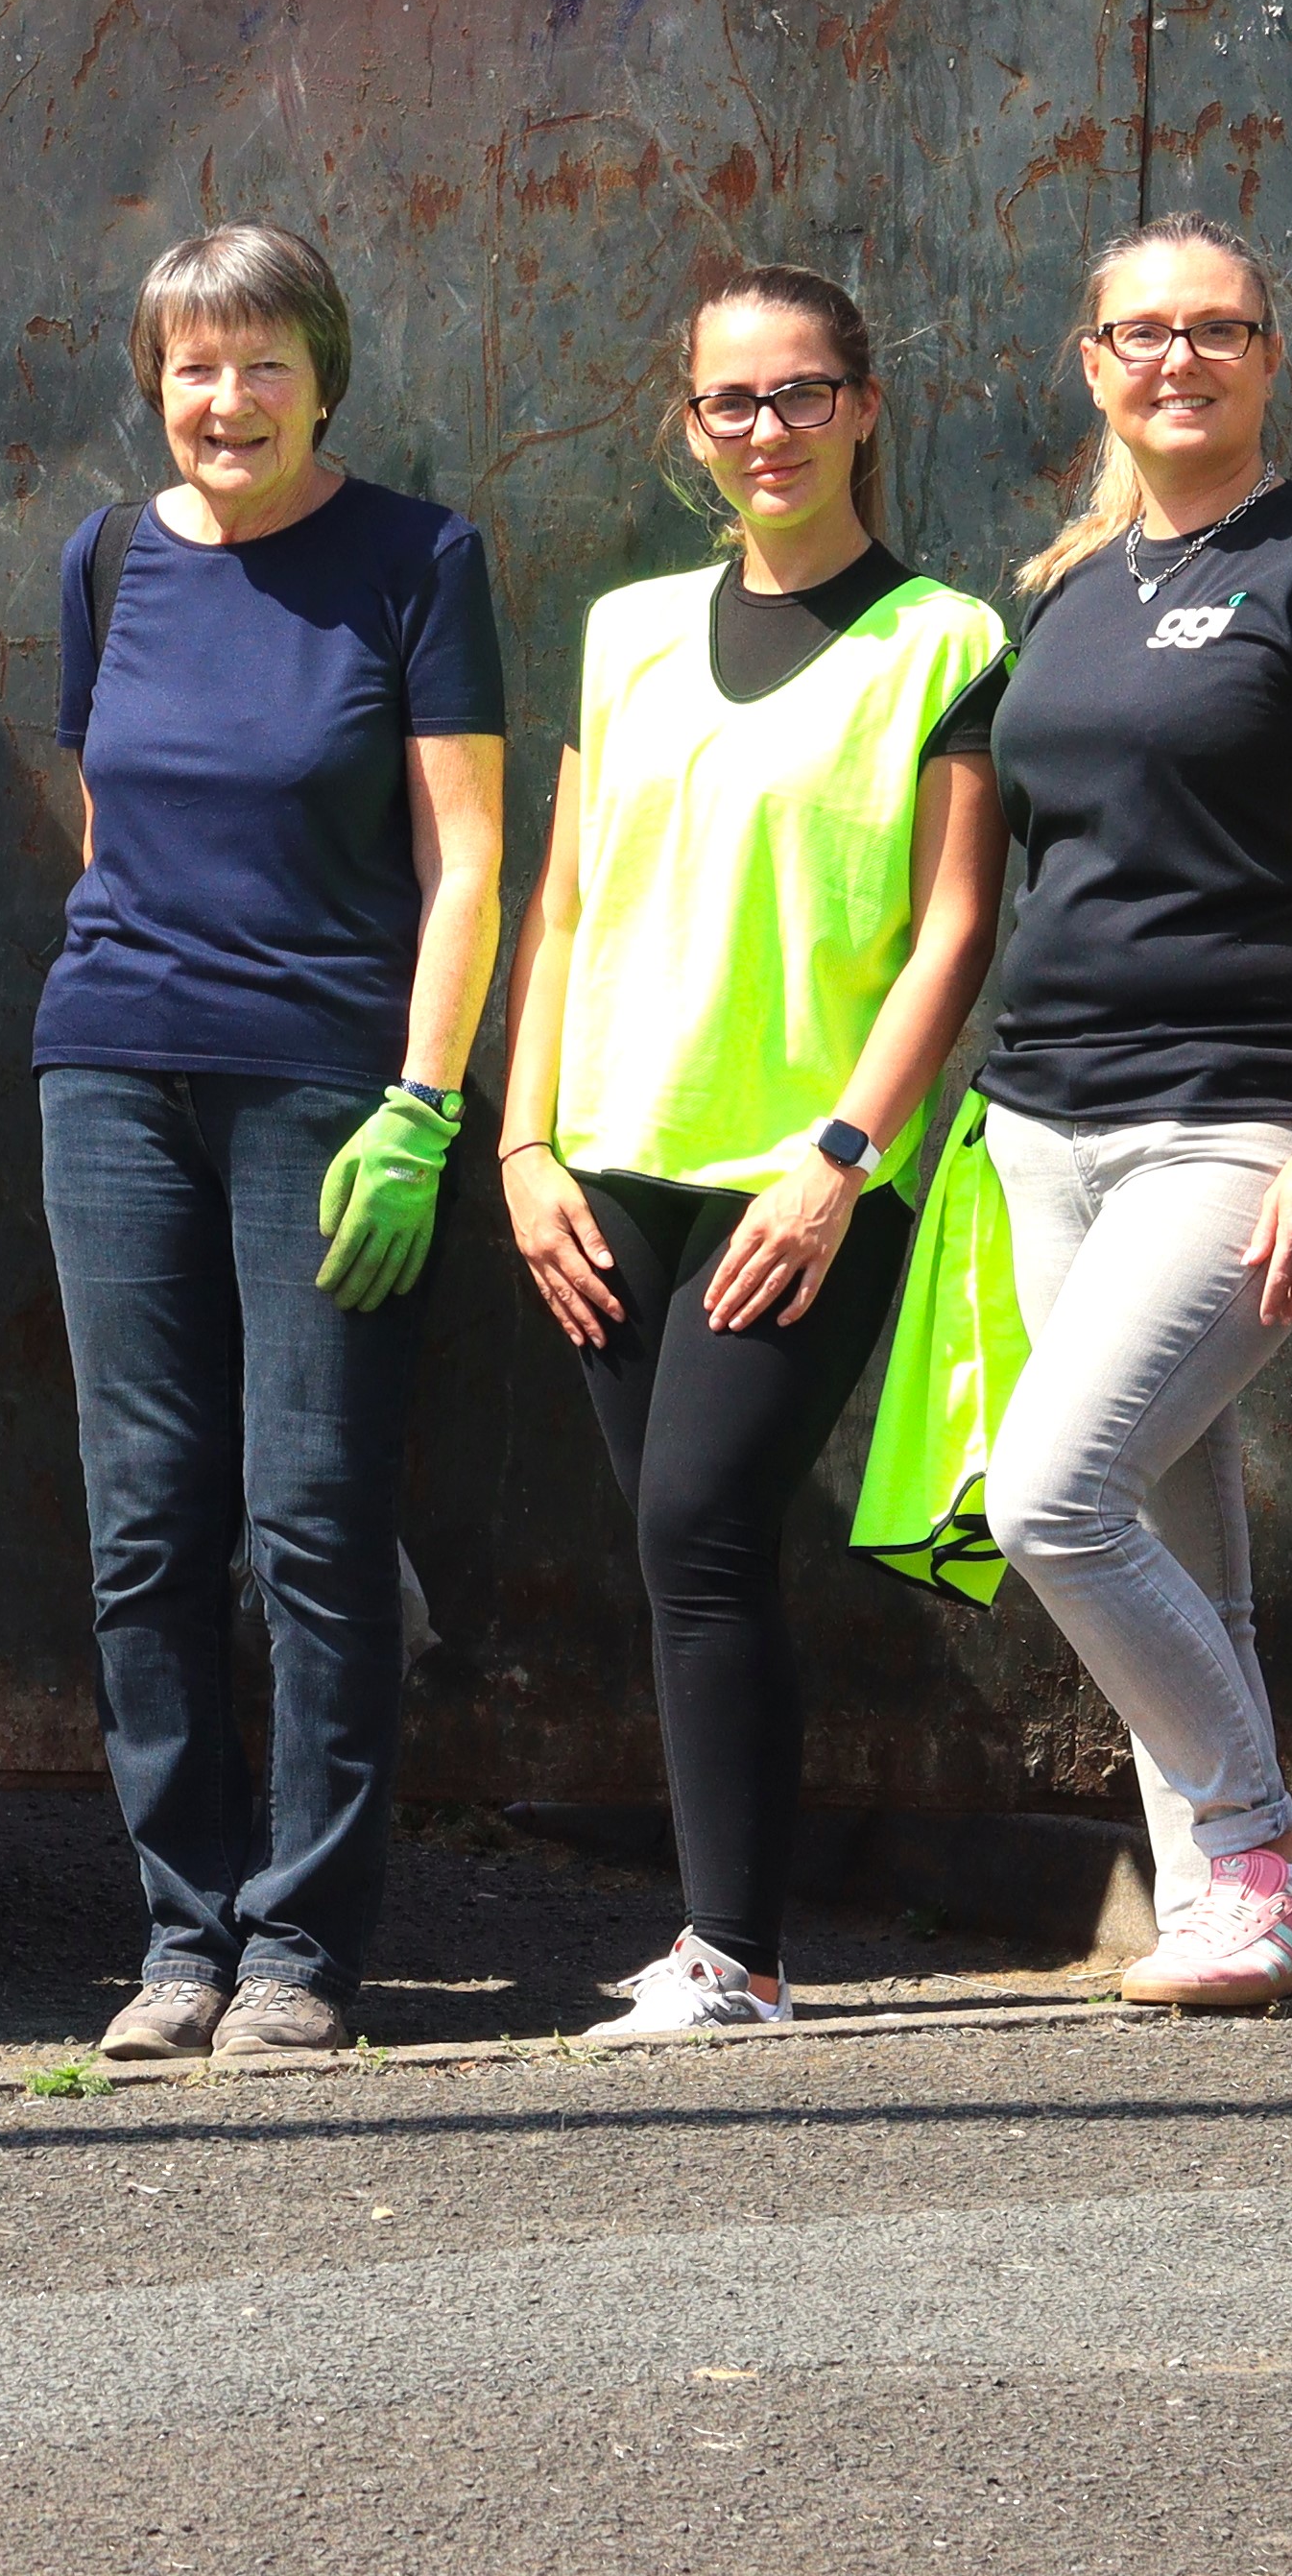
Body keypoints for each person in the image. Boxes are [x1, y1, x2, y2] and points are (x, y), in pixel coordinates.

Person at [492, 265, 1005, 2040]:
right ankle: (730, 1942)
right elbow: (557, 908)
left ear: (865, 405)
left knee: (704, 1525)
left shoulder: (949, 640)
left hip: (808, 1177)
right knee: (676, 1544)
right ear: (688, 425)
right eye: (732, 402)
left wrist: (847, 1153)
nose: (767, 430)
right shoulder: (624, 630)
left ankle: (737, 1956)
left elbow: (953, 930)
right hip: (606, 1165)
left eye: (802, 395)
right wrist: (522, 1144)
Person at [34, 227, 506, 2067]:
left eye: (263, 364)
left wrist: (424, 1101)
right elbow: (109, 822)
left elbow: (465, 857)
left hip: (330, 1093)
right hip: (113, 1075)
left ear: (326, 371)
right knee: (145, 1526)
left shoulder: (418, 557)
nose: (226, 401)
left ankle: (301, 1947)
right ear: (155, 383)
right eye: (193, 367)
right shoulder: (112, 556)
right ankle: (179, 1938)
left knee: (311, 1522)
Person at [974, 216, 1292, 2012]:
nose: (1179, 361)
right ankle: (1231, 1903)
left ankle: (1259, 1860)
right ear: (1093, 362)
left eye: (1216, 330)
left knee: (1054, 1499)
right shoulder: (1066, 586)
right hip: (1045, 1114)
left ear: (1268, 356)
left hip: (1227, 1117)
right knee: (1167, 1514)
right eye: (1142, 333)